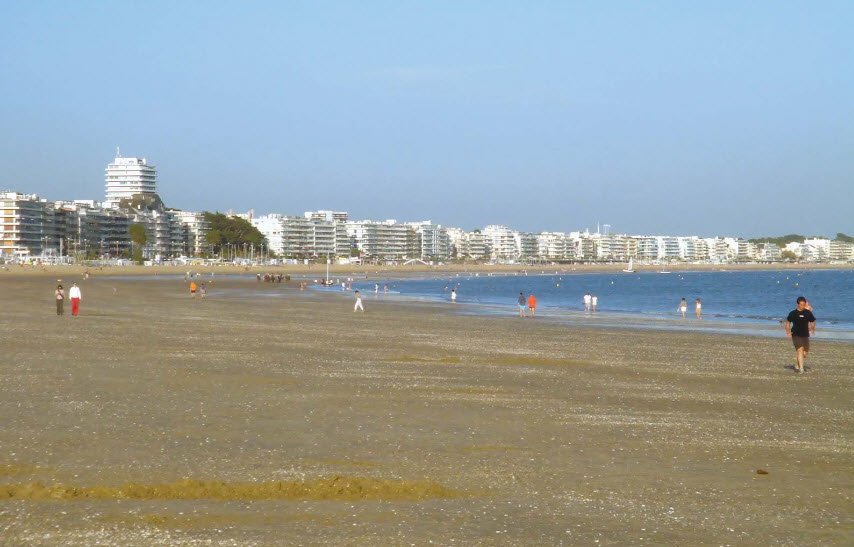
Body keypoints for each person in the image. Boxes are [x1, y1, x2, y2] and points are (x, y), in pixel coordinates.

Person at [785, 296, 816, 374]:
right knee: (800, 350)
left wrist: (812, 329)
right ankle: (801, 369)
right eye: (801, 305)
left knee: (805, 352)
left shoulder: (808, 313)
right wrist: (788, 331)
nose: (803, 306)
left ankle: (797, 361)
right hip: (796, 334)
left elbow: (812, 321)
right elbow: (788, 323)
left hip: (805, 334)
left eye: (804, 305)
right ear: (798, 304)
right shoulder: (792, 313)